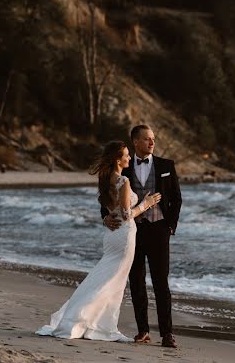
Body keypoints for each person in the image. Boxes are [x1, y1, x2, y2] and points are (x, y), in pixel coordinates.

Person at [37, 140, 161, 341]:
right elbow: (126, 214)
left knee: (104, 278)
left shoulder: (106, 179)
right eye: (126, 155)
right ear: (117, 159)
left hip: (112, 235)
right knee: (112, 281)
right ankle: (92, 323)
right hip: (124, 234)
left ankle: (97, 323)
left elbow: (111, 210)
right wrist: (146, 204)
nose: (129, 157)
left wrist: (107, 217)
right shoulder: (123, 181)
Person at [102, 124, 182, 348]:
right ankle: (143, 331)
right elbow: (107, 197)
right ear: (135, 142)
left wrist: (170, 227)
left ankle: (167, 334)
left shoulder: (166, 165)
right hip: (132, 232)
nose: (152, 142)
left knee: (160, 283)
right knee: (136, 282)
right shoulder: (124, 168)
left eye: (153, 139)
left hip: (159, 231)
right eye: (147, 139)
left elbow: (176, 198)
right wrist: (104, 217)